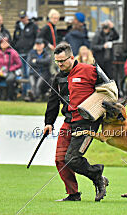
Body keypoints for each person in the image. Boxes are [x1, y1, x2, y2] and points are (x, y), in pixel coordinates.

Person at [43, 42, 108, 202]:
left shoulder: (90, 70)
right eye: (57, 61)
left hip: (87, 123)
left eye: (63, 61)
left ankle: (97, 176)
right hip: (69, 121)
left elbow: (109, 89)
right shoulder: (58, 78)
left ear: (72, 57)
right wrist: (48, 122)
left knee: (72, 159)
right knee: (60, 160)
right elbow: (53, 101)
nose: (60, 64)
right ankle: (73, 194)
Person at [13, 10, 39, 99]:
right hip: (19, 53)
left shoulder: (33, 26)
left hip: (29, 53)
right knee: (22, 74)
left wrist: (33, 51)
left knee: (28, 73)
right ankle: (23, 92)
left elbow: (37, 38)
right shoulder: (17, 27)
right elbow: (14, 40)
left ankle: (29, 92)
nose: (23, 19)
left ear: (27, 17)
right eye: (21, 18)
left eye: (24, 17)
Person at [37, 9, 60, 75]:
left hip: (54, 49)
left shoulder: (54, 27)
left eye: (57, 18)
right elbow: (39, 37)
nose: (56, 20)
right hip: (48, 50)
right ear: (50, 18)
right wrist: (48, 44)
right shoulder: (46, 27)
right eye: (54, 18)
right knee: (51, 66)